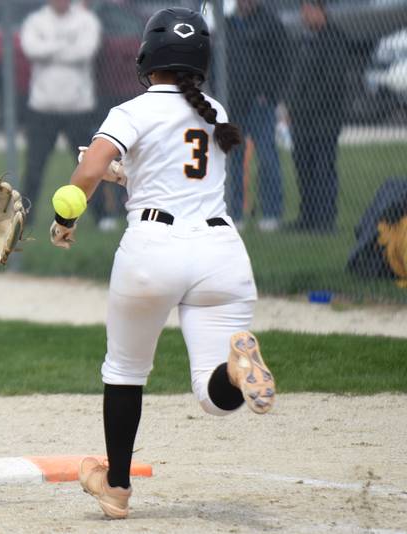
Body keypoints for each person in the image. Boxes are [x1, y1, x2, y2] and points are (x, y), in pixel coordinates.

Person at [49, 8, 276, 519]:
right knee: (215, 396)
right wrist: (125, 175)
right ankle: (238, 371)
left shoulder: (130, 111)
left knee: (126, 371)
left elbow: (85, 171)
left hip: (153, 248)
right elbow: (177, 172)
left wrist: (65, 217)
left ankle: (117, 490)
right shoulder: (212, 108)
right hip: (222, 255)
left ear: (147, 56)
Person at [20, 0, 119, 231]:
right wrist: (66, 45)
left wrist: (50, 48)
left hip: (78, 108)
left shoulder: (85, 21)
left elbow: (85, 51)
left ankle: (103, 216)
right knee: (34, 167)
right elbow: (31, 49)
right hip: (43, 108)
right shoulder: (36, 21)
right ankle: (25, 218)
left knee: (90, 166)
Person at [287, 0, 351, 233]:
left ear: (320, 10)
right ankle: (308, 218)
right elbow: (293, 78)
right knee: (304, 169)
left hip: (324, 120)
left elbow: (330, 85)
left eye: (307, 9)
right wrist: (290, 105)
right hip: (302, 122)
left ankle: (325, 222)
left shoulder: (334, 39)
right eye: (302, 9)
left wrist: (300, 106)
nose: (303, 14)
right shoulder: (304, 40)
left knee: (323, 169)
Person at [226, 0, 290, 232]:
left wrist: (270, 94)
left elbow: (284, 62)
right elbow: (215, 62)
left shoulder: (270, 23)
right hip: (234, 105)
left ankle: (272, 213)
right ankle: (235, 214)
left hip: (260, 104)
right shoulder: (229, 25)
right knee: (234, 160)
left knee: (267, 156)